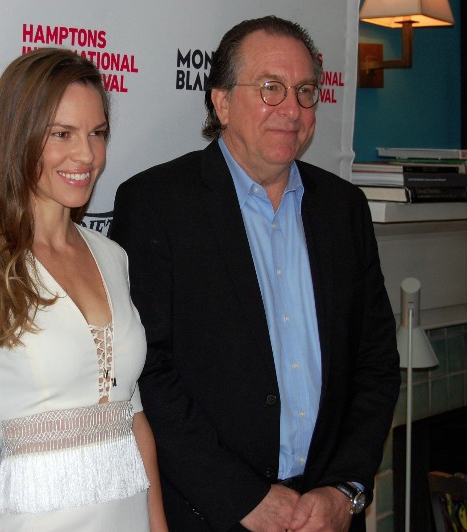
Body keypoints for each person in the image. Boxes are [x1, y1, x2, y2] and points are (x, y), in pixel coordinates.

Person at [110, 16, 400, 532]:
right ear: (221, 102)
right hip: (214, 514)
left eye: (305, 91)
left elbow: (375, 364)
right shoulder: (156, 204)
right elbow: (147, 372)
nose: (292, 109)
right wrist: (241, 497)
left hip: (326, 514)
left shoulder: (344, 209)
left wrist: (346, 489)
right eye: (271, 89)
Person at [0, 47, 168, 531]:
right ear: (20, 137)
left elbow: (133, 413)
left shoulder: (112, 257)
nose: (87, 155)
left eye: (97, 134)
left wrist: (157, 525)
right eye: (62, 134)